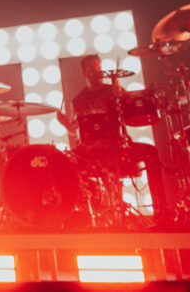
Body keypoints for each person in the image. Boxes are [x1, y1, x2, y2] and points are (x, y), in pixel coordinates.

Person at [57, 55, 170, 220]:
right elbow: (75, 130)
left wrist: (121, 96)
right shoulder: (78, 100)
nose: (97, 73)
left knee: (151, 152)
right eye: (92, 70)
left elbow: (129, 114)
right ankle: (80, 217)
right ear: (84, 73)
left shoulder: (113, 91)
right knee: (64, 162)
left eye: (98, 69)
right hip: (91, 151)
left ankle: (161, 211)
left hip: (116, 145)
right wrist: (65, 124)